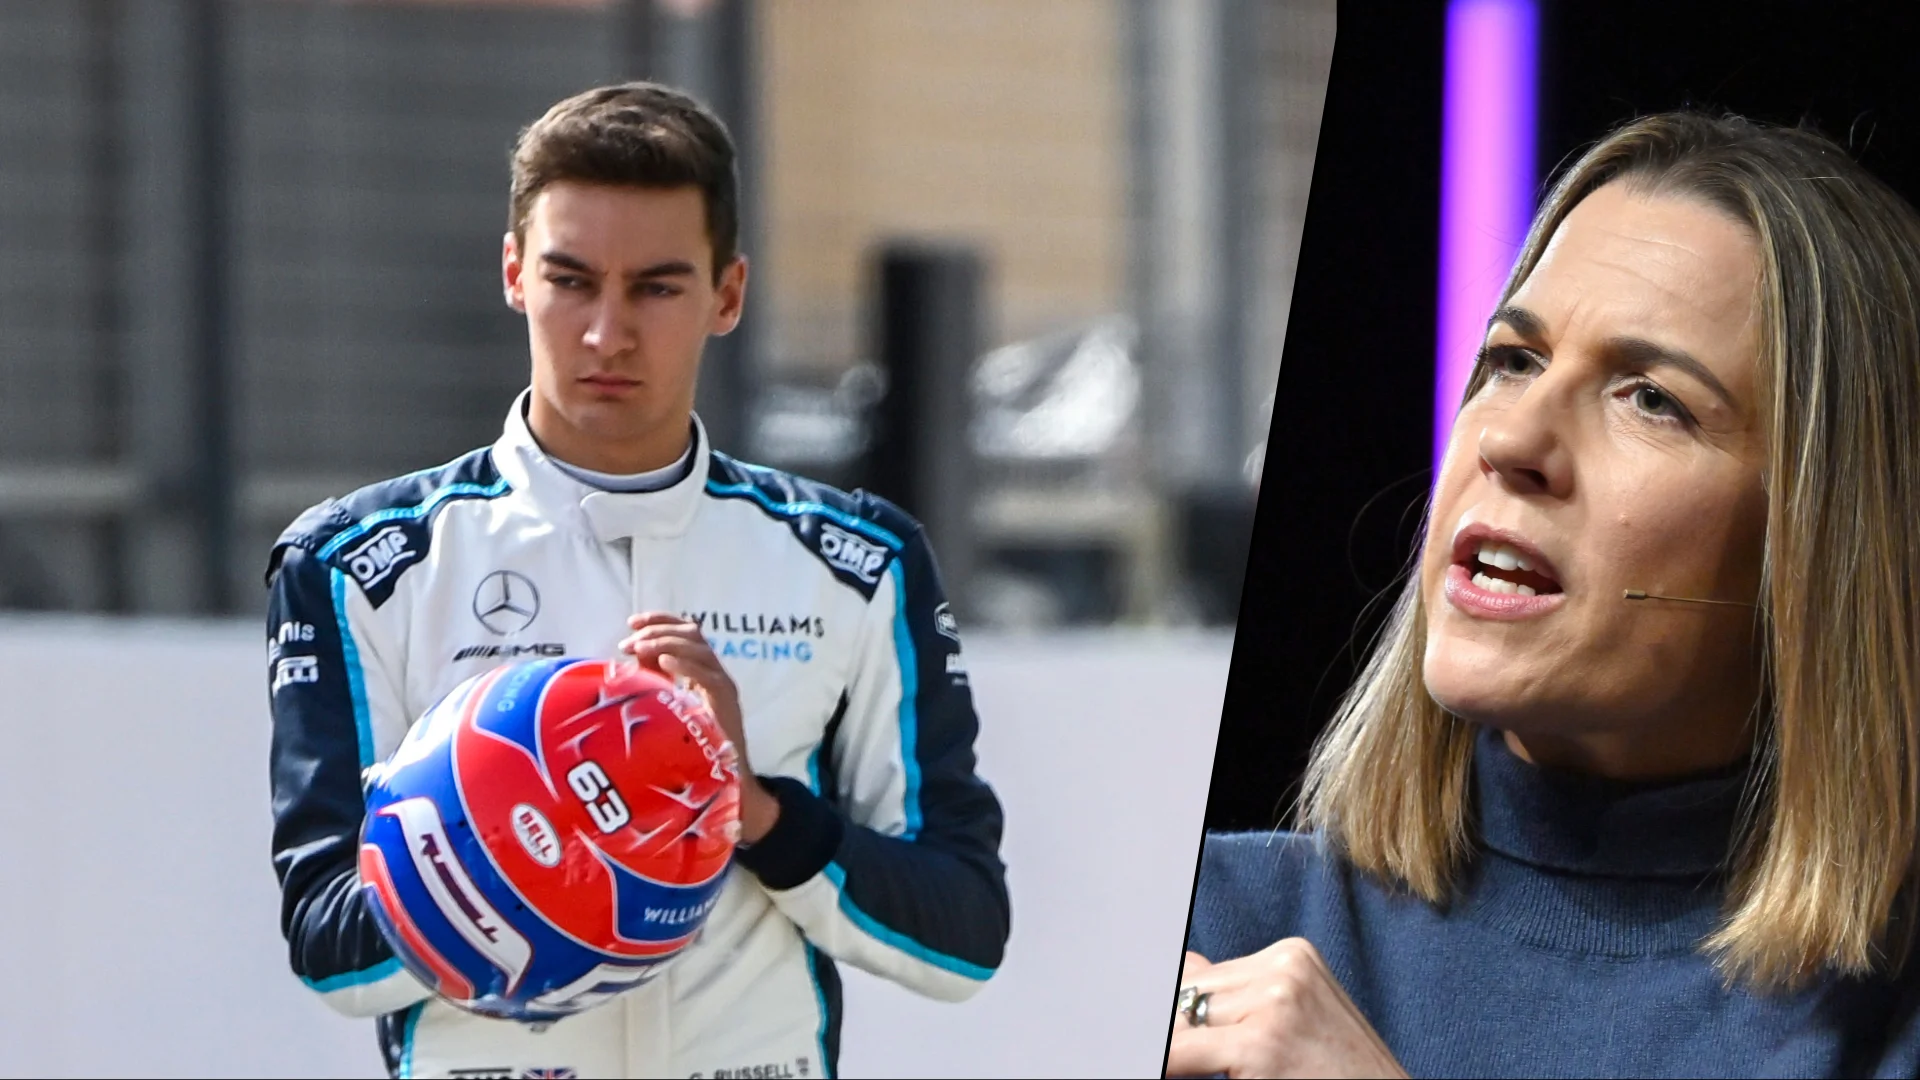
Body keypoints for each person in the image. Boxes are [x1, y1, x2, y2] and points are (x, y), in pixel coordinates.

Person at [265, 82, 1008, 1079]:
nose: (607, 333)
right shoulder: (362, 564)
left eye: (656, 289)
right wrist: (529, 828)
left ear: (728, 296)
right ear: (514, 274)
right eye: (571, 281)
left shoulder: (857, 562)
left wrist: (750, 810)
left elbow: (963, 935)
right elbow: (329, 952)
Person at [1171, 111, 1920, 1078]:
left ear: (1828, 538)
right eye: (1513, 360)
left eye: (1651, 398)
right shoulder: (1209, 934)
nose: (1512, 439)